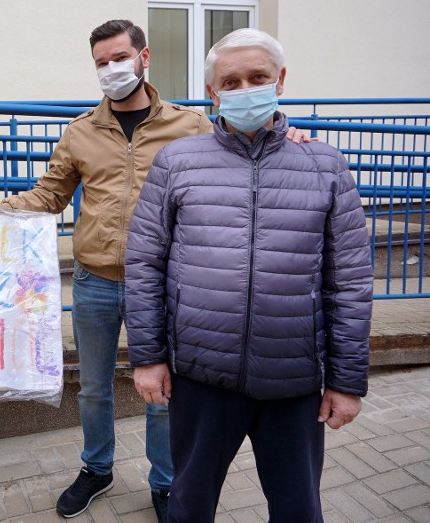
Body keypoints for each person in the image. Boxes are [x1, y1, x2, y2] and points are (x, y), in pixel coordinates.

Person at [0, 19, 308, 520]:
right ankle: (96, 468)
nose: (111, 70)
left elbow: (242, 157)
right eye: (101, 63)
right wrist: (3, 207)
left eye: (119, 58)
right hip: (95, 283)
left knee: (163, 390)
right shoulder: (81, 131)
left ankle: (167, 479)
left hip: (167, 284)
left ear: (144, 57)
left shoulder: (190, 125)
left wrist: (289, 139)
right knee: (92, 387)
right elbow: (51, 194)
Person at [124, 28, 373, 522]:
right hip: (201, 377)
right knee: (189, 506)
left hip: (293, 380)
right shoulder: (177, 162)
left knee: (298, 509)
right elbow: (145, 263)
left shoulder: (325, 166)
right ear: (213, 93)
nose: (244, 89)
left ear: (280, 79)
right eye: (230, 81)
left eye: (257, 77)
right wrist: (148, 357)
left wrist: (347, 382)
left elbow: (349, 283)